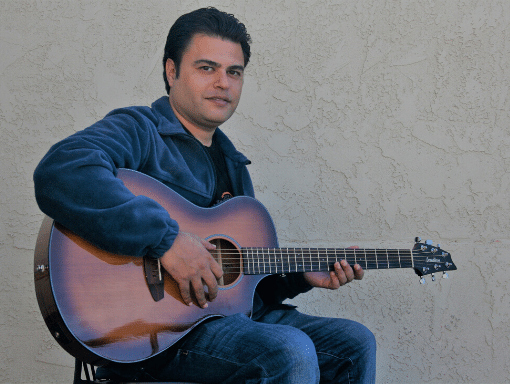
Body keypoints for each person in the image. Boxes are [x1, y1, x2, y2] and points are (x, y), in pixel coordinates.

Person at [33, 7, 376, 383]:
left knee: (354, 343)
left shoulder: (233, 165)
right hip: (157, 332)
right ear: (171, 71)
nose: (223, 83)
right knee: (288, 349)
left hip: (217, 322)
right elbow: (62, 171)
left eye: (234, 72)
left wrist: (299, 278)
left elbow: (237, 291)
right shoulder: (141, 130)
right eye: (206, 68)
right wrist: (166, 242)